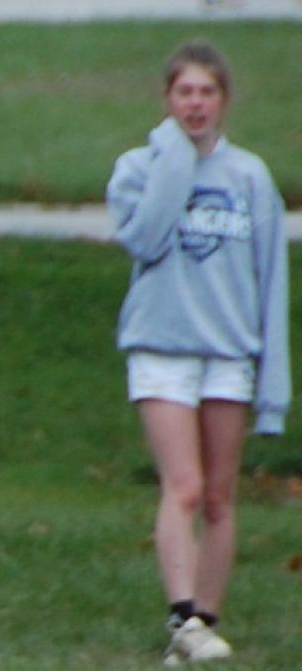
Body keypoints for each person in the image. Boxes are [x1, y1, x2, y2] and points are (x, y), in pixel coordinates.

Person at [108, 41, 289, 666]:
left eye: (206, 92)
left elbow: (271, 281)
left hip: (229, 353)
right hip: (162, 350)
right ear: (167, 99)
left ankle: (203, 623)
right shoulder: (138, 167)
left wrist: (273, 385)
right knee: (181, 486)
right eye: (184, 92)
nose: (195, 104)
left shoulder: (251, 177)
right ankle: (181, 613)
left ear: (224, 100)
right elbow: (145, 239)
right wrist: (176, 160)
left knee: (217, 495)